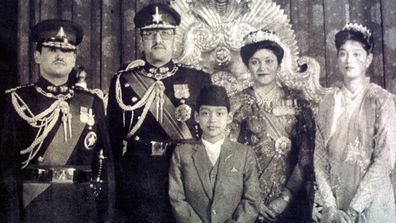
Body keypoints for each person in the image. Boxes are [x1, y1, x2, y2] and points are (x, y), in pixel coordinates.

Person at [107, 3, 212, 223]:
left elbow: (210, 135)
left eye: (164, 33)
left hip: (185, 175)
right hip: (138, 177)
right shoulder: (123, 81)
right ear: (141, 39)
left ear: (175, 37)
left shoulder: (198, 79)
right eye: (150, 34)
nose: (158, 40)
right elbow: (113, 141)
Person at [0, 19, 114, 223]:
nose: (60, 55)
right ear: (37, 56)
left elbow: (104, 165)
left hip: (82, 207)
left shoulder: (92, 101)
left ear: (74, 59)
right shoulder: (17, 101)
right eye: (52, 49)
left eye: (68, 51)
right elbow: (6, 169)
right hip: (35, 207)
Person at [229, 29, 314, 222]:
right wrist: (253, 200)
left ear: (278, 64)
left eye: (269, 61)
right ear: (247, 66)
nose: (262, 67)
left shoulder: (298, 102)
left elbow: (306, 157)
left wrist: (285, 198)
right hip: (247, 200)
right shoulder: (236, 103)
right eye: (255, 61)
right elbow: (229, 157)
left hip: (292, 200)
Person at [314, 23, 396, 223]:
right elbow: (320, 158)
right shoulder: (327, 102)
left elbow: (385, 160)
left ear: (368, 60)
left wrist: (353, 211)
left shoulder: (381, 100)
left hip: (371, 204)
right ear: (337, 59)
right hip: (335, 204)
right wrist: (331, 208)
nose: (349, 60)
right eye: (343, 53)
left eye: (356, 54)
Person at [169, 85, 260, 223]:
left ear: (229, 117)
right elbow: (177, 198)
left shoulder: (244, 154)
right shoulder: (182, 153)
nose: (212, 120)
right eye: (205, 113)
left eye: (219, 113)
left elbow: (252, 200)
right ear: (196, 117)